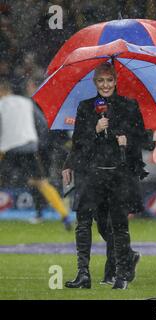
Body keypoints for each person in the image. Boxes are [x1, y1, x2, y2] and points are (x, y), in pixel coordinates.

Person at [62, 62, 145, 290]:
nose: (105, 85)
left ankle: (121, 275)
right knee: (84, 223)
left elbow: (143, 139)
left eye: (109, 80)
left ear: (116, 81)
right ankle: (83, 274)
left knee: (118, 225)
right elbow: (78, 142)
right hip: (91, 174)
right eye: (101, 80)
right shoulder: (85, 107)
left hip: (118, 175)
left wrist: (127, 141)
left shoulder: (129, 105)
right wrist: (94, 130)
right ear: (94, 82)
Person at [0, 78, 71, 230]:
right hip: (30, 147)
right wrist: (38, 142)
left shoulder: (1, 105)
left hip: (8, 149)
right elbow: (42, 124)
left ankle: (43, 212)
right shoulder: (27, 103)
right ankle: (65, 216)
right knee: (42, 183)